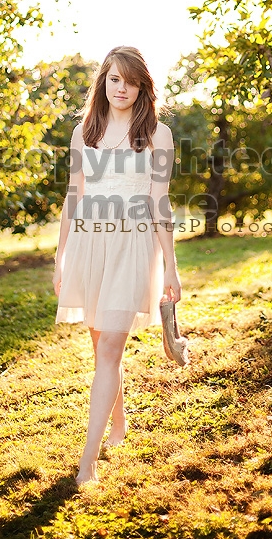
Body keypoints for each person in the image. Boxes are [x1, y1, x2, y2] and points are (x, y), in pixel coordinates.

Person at [53, 45, 181, 485]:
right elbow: (74, 195)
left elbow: (159, 201)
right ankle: (119, 421)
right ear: (103, 82)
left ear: (142, 86)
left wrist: (171, 266)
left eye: (130, 80)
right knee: (100, 344)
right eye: (113, 79)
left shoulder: (157, 135)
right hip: (89, 244)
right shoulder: (84, 132)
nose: (120, 88)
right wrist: (60, 255)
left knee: (109, 347)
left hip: (133, 245)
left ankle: (86, 463)